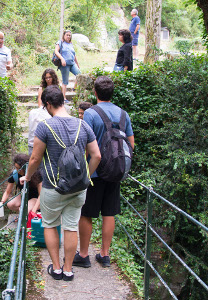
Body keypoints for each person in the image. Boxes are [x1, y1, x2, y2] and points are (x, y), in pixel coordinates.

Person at [20, 85, 101, 281]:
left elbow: (35, 160)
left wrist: (28, 177)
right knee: (71, 226)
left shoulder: (45, 126)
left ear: (48, 104)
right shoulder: (83, 125)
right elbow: (96, 155)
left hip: (53, 187)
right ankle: (68, 270)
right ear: (63, 100)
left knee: (50, 224)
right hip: (77, 189)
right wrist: (85, 177)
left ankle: (55, 268)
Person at [74, 76, 134, 268]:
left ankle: (83, 255)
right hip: (116, 171)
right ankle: (105, 254)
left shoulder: (91, 114)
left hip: (95, 172)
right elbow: (131, 145)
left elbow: (84, 144)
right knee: (109, 212)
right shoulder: (124, 114)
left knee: (86, 213)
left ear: (95, 92)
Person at [54, 30, 81, 101]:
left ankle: (74, 89)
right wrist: (62, 59)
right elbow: (56, 51)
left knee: (79, 75)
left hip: (72, 63)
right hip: (64, 64)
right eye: (67, 35)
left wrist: (77, 64)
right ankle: (63, 97)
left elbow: (74, 55)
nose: (68, 36)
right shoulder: (60, 43)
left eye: (69, 35)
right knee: (65, 81)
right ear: (64, 35)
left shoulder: (70, 44)